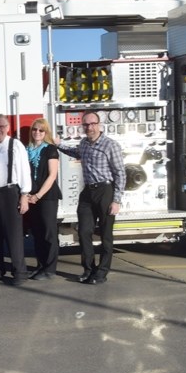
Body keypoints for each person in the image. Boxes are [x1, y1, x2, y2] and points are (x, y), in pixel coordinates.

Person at [58, 112, 125, 284]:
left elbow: (120, 174)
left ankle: (101, 273)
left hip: (105, 191)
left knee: (105, 234)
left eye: (93, 124)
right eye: (86, 125)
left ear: (99, 124)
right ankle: (89, 269)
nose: (90, 127)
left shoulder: (111, 145)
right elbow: (75, 152)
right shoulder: (84, 144)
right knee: (84, 231)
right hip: (87, 192)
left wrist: (116, 200)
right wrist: (58, 144)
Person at [0, 114, 32, 286]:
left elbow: (24, 170)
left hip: (10, 193)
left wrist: (24, 195)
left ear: (7, 128)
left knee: (13, 236)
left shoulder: (15, 144)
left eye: (1, 127)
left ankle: (20, 273)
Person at [25, 118, 62, 280]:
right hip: (31, 197)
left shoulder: (50, 149)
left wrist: (38, 195)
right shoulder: (27, 149)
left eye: (41, 130)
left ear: (46, 133)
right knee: (37, 233)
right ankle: (40, 265)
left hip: (47, 197)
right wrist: (27, 195)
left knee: (49, 232)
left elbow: (52, 175)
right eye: (35, 129)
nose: (37, 133)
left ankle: (50, 268)